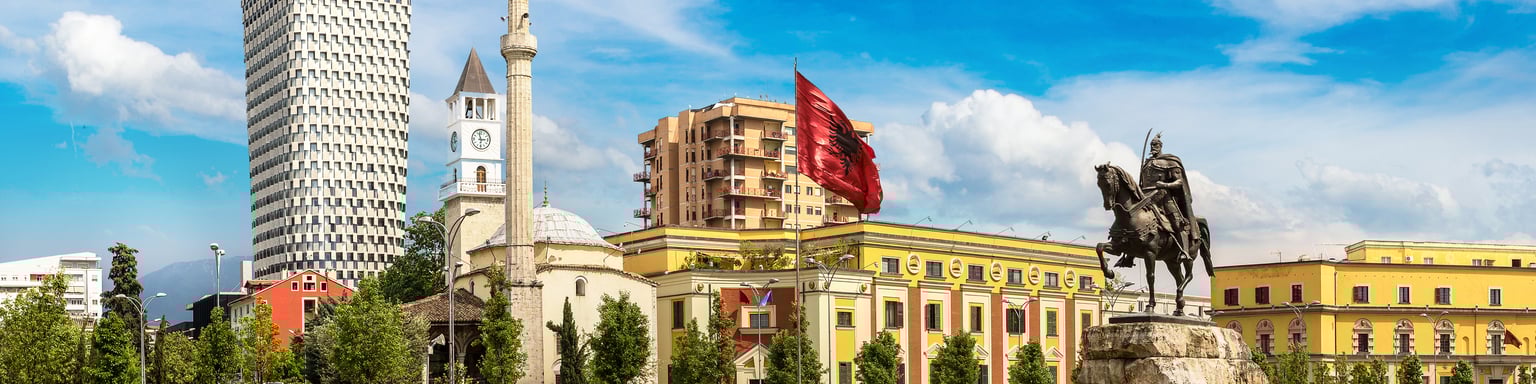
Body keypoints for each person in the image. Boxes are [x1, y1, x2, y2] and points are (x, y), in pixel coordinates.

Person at [1140, 134, 1195, 259]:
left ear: (1161, 146)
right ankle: (1128, 254)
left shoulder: (1169, 161)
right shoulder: (1147, 163)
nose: (1153, 147)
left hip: (1163, 196)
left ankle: (1184, 251)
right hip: (1145, 198)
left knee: (1177, 222)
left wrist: (1164, 184)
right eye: (1152, 145)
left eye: (1156, 145)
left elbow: (1179, 182)